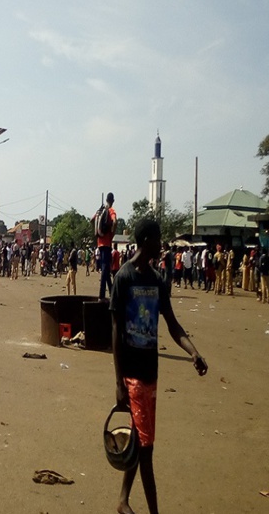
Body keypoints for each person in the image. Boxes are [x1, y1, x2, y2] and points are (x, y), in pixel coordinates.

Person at [110, 219, 208, 514]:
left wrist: (193, 352)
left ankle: (123, 499)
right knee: (147, 449)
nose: (161, 244)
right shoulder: (124, 278)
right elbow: (115, 331)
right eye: (158, 239)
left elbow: (172, 323)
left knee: (140, 438)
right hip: (133, 376)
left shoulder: (156, 280)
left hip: (151, 372)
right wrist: (118, 381)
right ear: (145, 241)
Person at [94, 192, 118, 300]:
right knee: (105, 268)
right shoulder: (111, 211)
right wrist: (112, 232)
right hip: (107, 243)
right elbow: (115, 221)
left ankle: (112, 292)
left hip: (100, 242)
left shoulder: (100, 211)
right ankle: (101, 295)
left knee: (106, 269)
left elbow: (92, 220)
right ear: (112, 201)